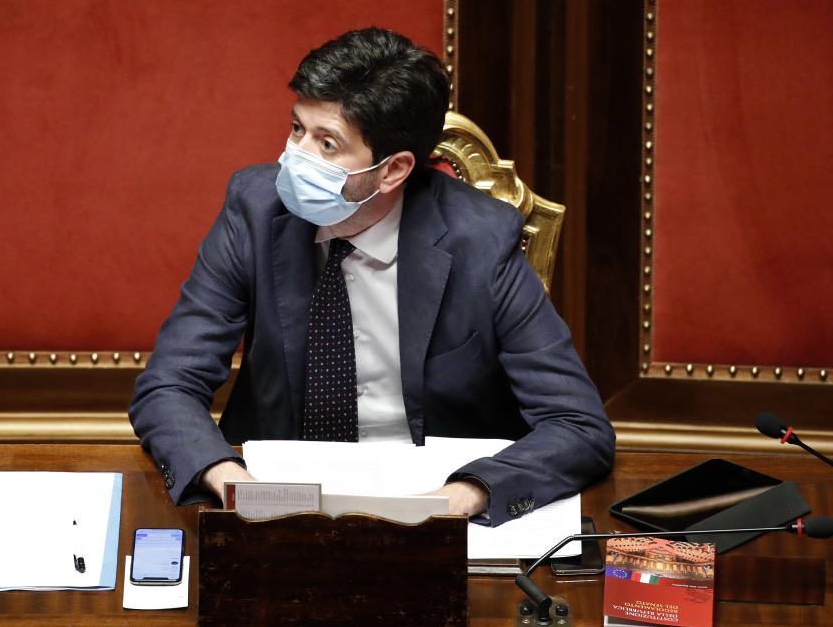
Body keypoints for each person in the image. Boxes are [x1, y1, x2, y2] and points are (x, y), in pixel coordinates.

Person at [129, 27, 614, 527]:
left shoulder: (481, 241)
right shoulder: (254, 209)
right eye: (297, 130)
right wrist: (235, 482)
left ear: (393, 170)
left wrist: (464, 494)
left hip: (432, 503)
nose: (297, 157)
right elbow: (168, 385)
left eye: (328, 144)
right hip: (280, 495)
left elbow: (577, 425)